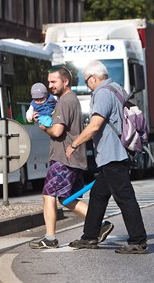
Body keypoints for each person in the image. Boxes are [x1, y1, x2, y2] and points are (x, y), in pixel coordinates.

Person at [66, 60, 147, 254]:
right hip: (118, 151)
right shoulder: (117, 88)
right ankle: (90, 236)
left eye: (87, 82)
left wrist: (74, 144)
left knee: (125, 197)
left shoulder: (102, 93)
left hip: (112, 154)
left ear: (93, 78)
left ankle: (138, 240)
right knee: (98, 195)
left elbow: (95, 125)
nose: (88, 85)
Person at [29, 65, 114, 249]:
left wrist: (43, 127)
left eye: (53, 81)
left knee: (48, 195)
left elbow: (58, 131)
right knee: (67, 199)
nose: (49, 85)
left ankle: (50, 238)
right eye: (49, 81)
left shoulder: (64, 101)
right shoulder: (70, 100)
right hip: (73, 159)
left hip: (64, 159)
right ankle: (100, 225)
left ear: (65, 81)